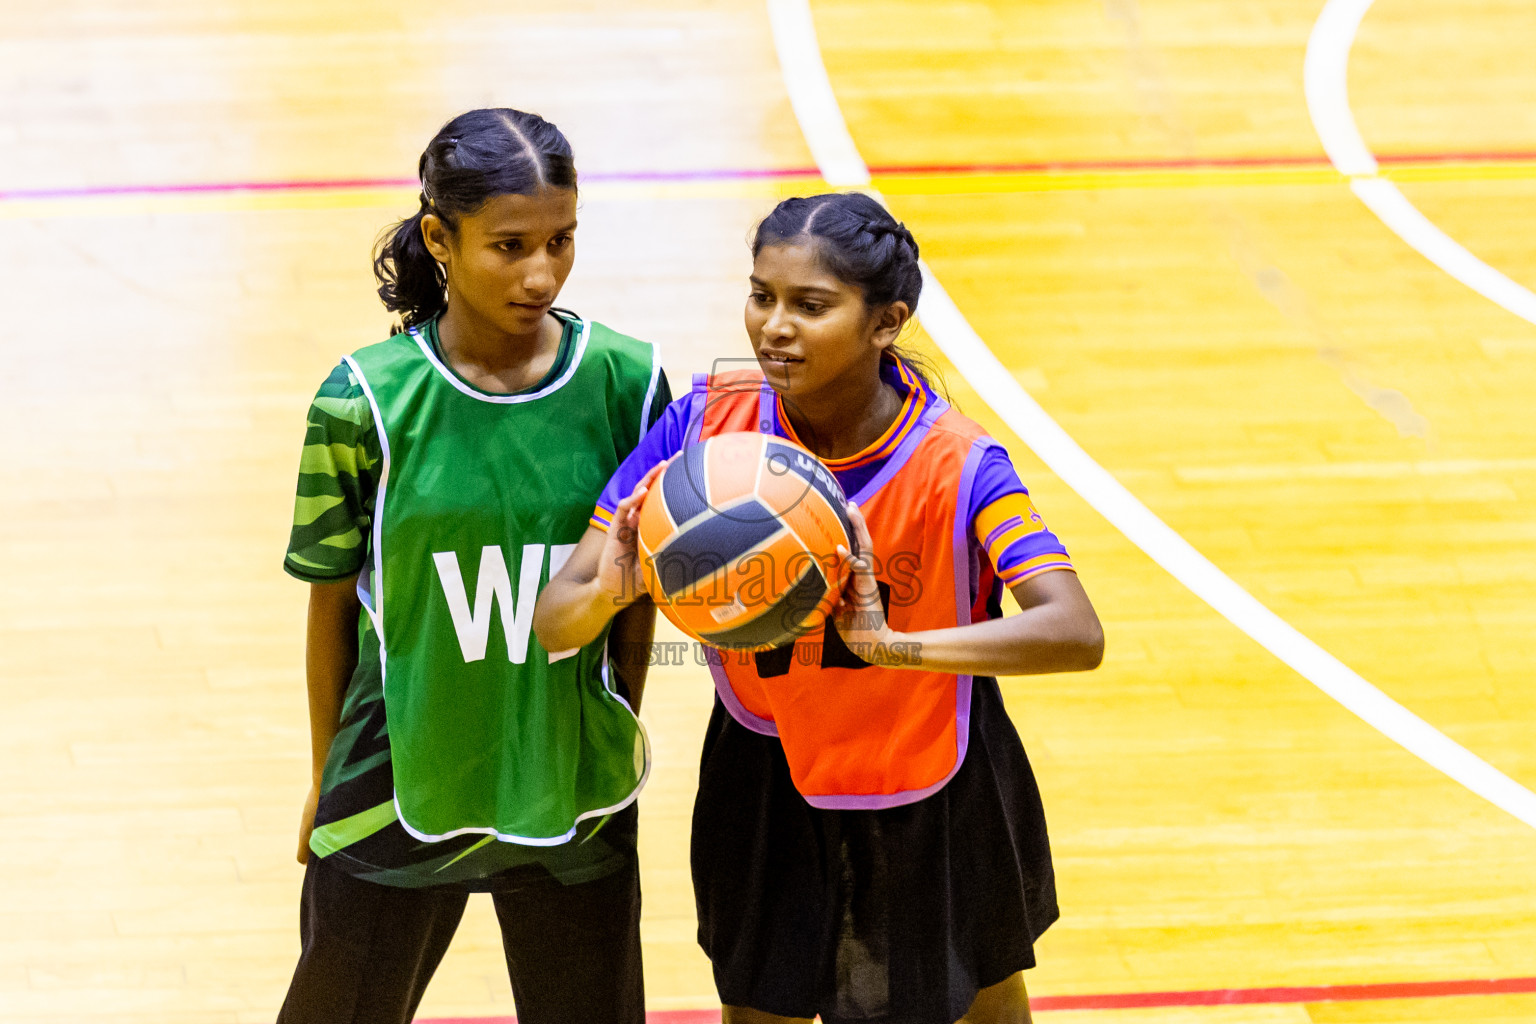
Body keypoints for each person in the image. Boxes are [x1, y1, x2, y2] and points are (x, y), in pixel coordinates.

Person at [535, 191, 1105, 1024]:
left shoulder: (959, 462)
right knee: (760, 1009)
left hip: (932, 780)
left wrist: (892, 646)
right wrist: (621, 584)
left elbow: (1075, 631)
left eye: (811, 305)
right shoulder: (701, 433)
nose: (773, 326)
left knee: (981, 1006)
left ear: (886, 322)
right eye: (762, 295)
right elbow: (559, 618)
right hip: (765, 770)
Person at [277, 108, 668, 1024]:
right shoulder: (363, 400)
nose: (542, 273)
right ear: (439, 239)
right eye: (510, 245)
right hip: (395, 780)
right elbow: (331, 607)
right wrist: (323, 774)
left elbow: (638, 592)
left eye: (562, 240)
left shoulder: (628, 382)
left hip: (571, 782)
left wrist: (612, 726)